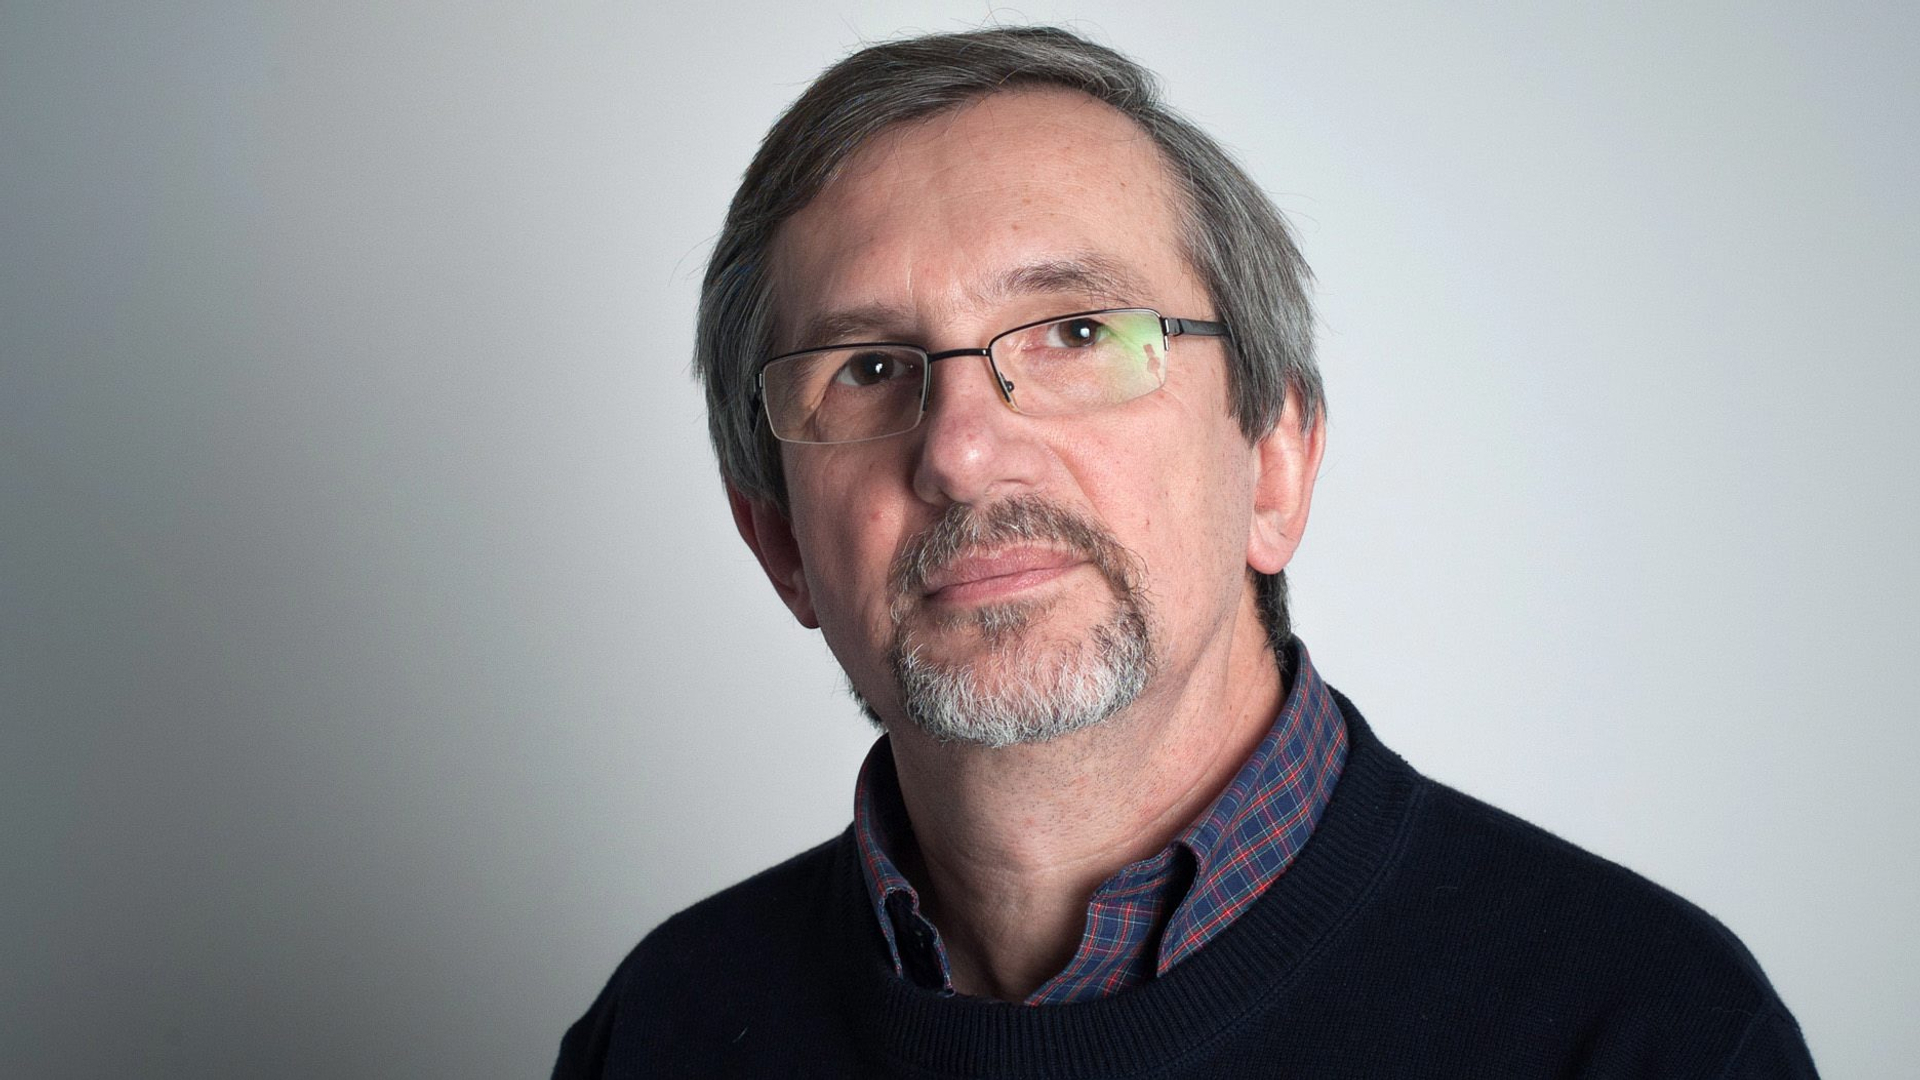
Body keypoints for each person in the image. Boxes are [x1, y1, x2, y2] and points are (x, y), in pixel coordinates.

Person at [554, 26, 1816, 1078]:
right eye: (869, 369)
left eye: (1076, 333)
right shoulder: (661, 1030)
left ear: (1275, 460)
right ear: (777, 537)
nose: (963, 454)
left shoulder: (1648, 1034)